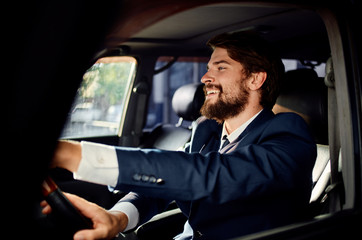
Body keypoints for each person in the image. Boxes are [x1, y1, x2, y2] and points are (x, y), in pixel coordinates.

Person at [42, 31, 317, 240]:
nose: (206, 77)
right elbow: (163, 184)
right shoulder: (205, 130)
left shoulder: (289, 135)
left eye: (221, 67)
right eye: (208, 68)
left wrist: (74, 154)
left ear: (255, 79)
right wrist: (118, 217)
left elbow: (209, 175)